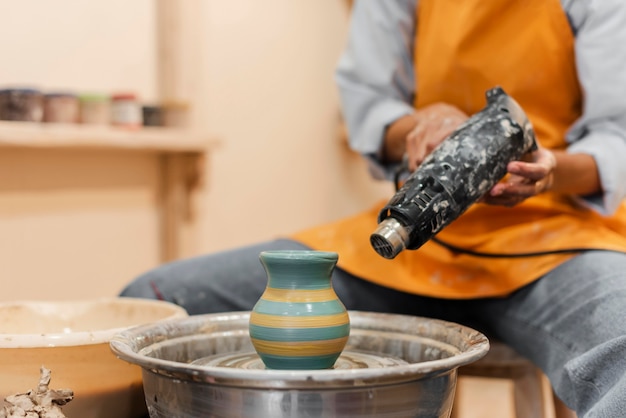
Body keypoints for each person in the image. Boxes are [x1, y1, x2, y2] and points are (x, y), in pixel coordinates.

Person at [121, 0, 626, 416]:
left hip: (555, 242)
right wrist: (420, 126)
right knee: (155, 302)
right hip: (419, 244)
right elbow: (370, 105)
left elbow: (616, 136)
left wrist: (549, 168)